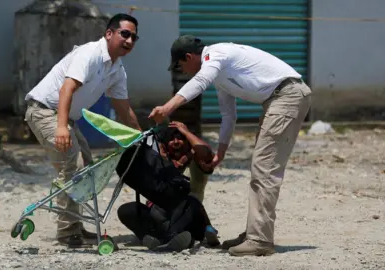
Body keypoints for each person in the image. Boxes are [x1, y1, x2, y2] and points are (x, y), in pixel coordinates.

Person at [148, 35, 312, 256]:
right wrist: (221, 152)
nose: (182, 72)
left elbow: (199, 82)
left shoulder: (215, 56)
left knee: (264, 168)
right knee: (262, 167)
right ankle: (255, 232)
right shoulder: (220, 74)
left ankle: (260, 239)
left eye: (180, 66)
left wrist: (167, 107)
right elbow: (228, 115)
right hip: (279, 99)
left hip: (287, 96)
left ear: (188, 57)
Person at [23, 13, 142, 248]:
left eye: (134, 37)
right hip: (45, 112)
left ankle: (76, 226)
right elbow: (66, 89)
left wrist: (141, 136)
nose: (129, 41)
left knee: (88, 168)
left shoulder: (117, 70)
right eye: (124, 34)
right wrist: (60, 128)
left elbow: (123, 109)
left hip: (64, 118)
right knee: (73, 166)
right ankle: (67, 233)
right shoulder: (90, 54)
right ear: (109, 34)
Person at [115, 121, 220, 252]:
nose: (176, 142)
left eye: (181, 139)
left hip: (188, 215)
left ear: (188, 143)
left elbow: (206, 152)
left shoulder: (197, 162)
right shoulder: (159, 163)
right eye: (171, 139)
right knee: (128, 210)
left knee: (190, 202)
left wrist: (186, 132)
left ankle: (175, 238)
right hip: (162, 217)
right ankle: (159, 238)